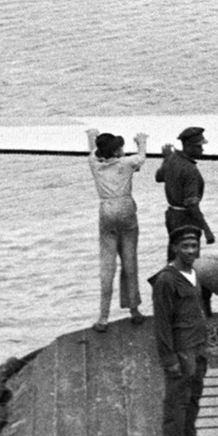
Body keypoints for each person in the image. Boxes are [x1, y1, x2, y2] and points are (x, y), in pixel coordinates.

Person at [150, 225, 212, 436]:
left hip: (198, 345)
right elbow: (162, 324)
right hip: (181, 349)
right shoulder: (166, 280)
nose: (190, 251)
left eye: (194, 246)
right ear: (174, 248)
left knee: (194, 394)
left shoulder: (194, 273)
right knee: (176, 400)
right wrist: (169, 358)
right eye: (184, 246)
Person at [85, 127, 148, 332]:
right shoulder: (126, 163)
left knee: (107, 266)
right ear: (115, 151)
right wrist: (141, 141)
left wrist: (92, 137)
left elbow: (93, 152)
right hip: (126, 209)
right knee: (129, 262)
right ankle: (134, 310)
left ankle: (103, 317)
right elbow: (141, 157)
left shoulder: (95, 165)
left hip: (106, 209)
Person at [156, 126, 215, 253]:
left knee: (174, 253)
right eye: (198, 147)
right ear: (189, 146)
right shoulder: (190, 170)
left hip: (172, 215)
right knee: (189, 255)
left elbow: (159, 177)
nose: (202, 150)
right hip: (186, 219)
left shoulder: (172, 159)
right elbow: (192, 204)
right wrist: (206, 229)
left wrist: (165, 159)